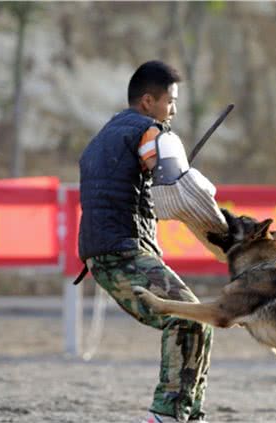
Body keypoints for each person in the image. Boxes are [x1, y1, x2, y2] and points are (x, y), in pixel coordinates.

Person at [78, 60, 228, 423]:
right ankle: (168, 415)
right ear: (148, 101)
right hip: (122, 251)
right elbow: (174, 185)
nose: (173, 111)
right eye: (170, 102)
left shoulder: (104, 135)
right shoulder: (149, 132)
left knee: (198, 319)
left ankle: (188, 416)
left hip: (107, 251)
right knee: (187, 318)